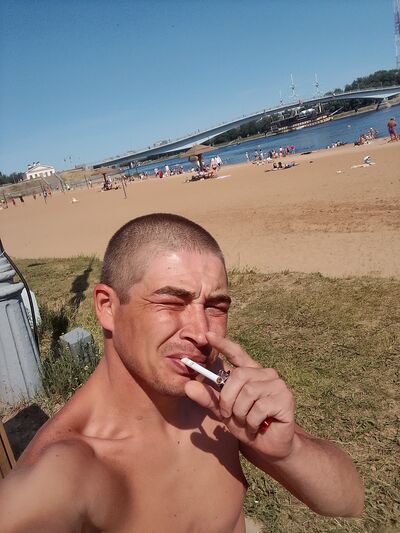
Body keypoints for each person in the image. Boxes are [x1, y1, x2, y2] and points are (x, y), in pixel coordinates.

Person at [0, 214, 364, 532]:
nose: (201, 332)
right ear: (108, 307)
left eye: (216, 307)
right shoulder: (67, 467)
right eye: (171, 302)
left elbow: (348, 500)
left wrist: (288, 452)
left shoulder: (216, 392)